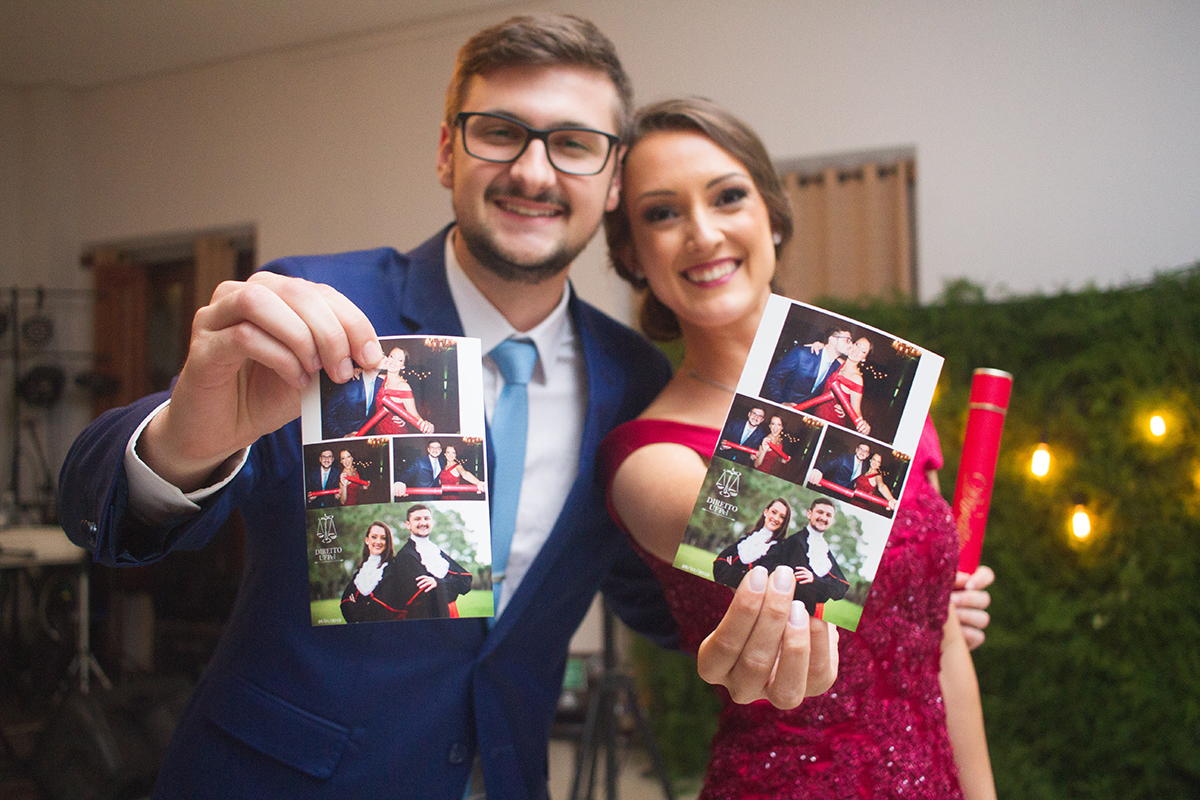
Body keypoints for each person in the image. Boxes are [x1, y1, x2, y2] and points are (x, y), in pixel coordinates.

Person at [56, 17, 832, 800]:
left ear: (614, 178)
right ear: (444, 152)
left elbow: (650, 590)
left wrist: (838, 613)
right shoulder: (328, 309)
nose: (534, 172)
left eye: (573, 144)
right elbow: (103, 509)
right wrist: (185, 443)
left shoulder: (630, 375)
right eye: (499, 133)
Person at [600, 97, 995, 798]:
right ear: (631, 253)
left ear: (773, 217)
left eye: (727, 197)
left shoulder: (882, 392)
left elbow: (943, 654)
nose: (701, 232)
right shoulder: (648, 457)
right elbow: (810, 571)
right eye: (662, 213)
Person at [380, 504, 474, 619]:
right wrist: (449, 584)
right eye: (417, 519)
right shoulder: (405, 555)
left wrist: (437, 583)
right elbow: (423, 596)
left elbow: (466, 582)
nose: (423, 523)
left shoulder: (436, 551)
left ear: (432, 523)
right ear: (408, 525)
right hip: (425, 618)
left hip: (451, 614)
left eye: (426, 518)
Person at [766, 498, 849, 617]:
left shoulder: (825, 550)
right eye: (820, 512)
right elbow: (802, 589)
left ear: (832, 520)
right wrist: (825, 586)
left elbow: (841, 589)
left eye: (828, 515)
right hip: (791, 611)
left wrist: (814, 580)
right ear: (809, 514)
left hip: (816, 613)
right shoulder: (795, 542)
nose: (824, 518)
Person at [712, 498, 791, 589]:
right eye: (774, 512)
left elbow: (757, 582)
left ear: (784, 522)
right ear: (766, 512)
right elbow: (719, 562)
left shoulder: (778, 550)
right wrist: (740, 573)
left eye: (782, 517)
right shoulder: (745, 540)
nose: (776, 518)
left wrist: (730, 570)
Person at [762, 326, 853, 405]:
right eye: (847, 340)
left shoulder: (838, 367)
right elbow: (772, 377)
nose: (851, 345)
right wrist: (781, 402)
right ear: (832, 340)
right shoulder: (802, 353)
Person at [804, 334, 872, 434]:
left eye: (863, 351)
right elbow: (827, 351)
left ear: (864, 358)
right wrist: (819, 345)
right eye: (857, 345)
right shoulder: (839, 363)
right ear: (852, 344)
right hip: (816, 413)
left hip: (831, 421)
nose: (857, 351)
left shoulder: (856, 379)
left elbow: (856, 411)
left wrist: (864, 426)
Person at [340, 521, 402, 622]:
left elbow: (383, 608)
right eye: (374, 537)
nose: (378, 541)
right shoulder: (360, 572)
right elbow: (345, 603)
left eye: (383, 538)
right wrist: (367, 606)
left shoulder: (393, 568)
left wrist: (356, 607)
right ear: (367, 540)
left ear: (388, 542)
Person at [370, 346, 434, 434]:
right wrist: (357, 370)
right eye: (392, 356)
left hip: (394, 433)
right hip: (378, 431)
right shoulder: (380, 379)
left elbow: (414, 415)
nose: (393, 362)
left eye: (399, 360)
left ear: (403, 366)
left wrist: (427, 425)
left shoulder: (403, 387)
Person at [322, 364, 385, 438]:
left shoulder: (382, 383)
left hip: (369, 439)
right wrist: (343, 435)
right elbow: (328, 415)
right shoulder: (349, 382)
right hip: (345, 439)